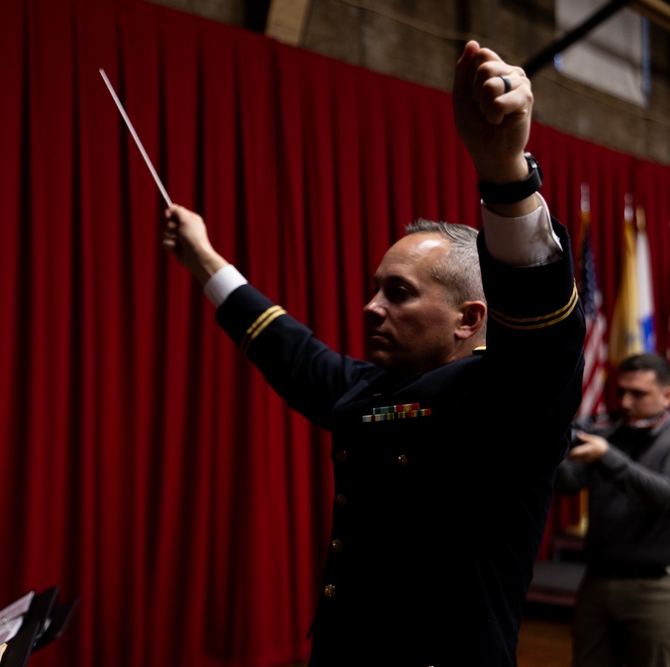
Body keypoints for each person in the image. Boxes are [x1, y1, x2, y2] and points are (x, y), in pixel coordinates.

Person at [161, 40, 585, 665]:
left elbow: (543, 328)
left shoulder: (507, 402)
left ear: (471, 318)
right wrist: (204, 261)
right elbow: (292, 352)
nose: (370, 308)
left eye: (399, 293)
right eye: (374, 289)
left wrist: (506, 175)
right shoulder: (372, 392)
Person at [555, 353, 670, 667]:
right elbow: (568, 484)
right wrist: (556, 448)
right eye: (621, 392)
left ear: (666, 394)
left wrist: (607, 457)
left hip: (653, 588)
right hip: (596, 581)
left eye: (639, 394)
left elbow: (664, 495)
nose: (626, 402)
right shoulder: (608, 428)